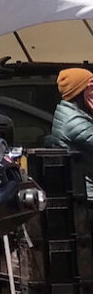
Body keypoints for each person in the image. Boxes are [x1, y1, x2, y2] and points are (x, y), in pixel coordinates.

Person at [51, 68, 93, 200]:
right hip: (89, 197)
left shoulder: (74, 115)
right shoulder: (73, 121)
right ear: (80, 92)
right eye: (91, 87)